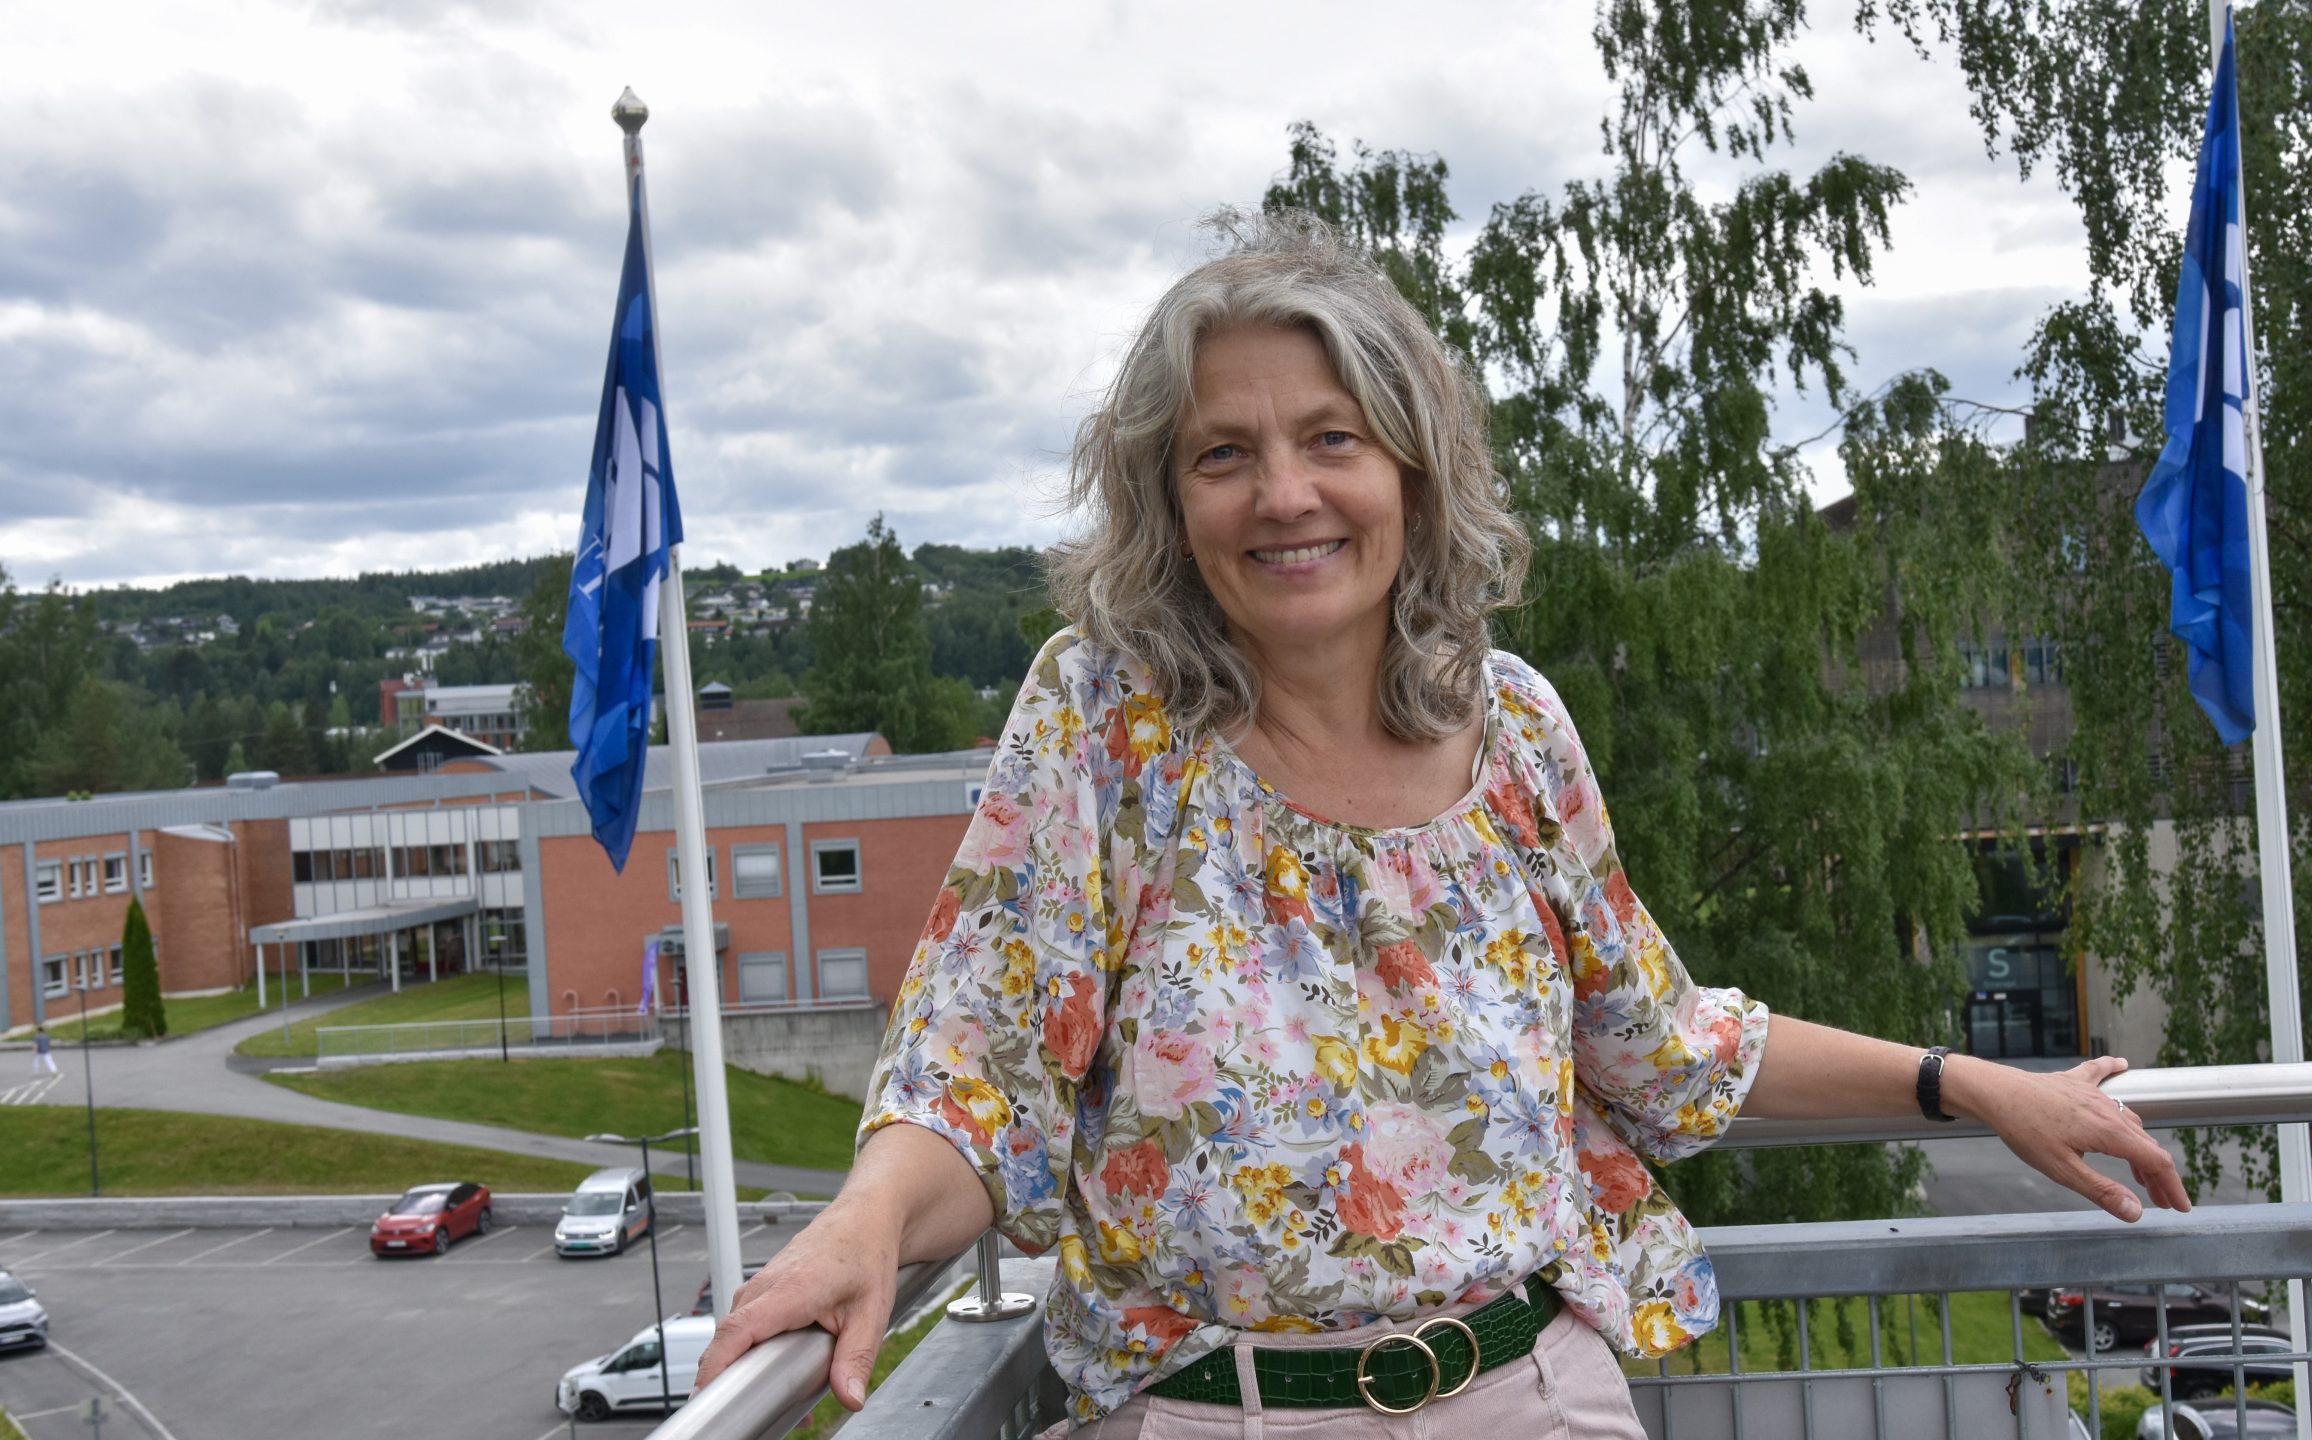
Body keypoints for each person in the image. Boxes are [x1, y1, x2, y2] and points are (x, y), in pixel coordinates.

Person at [695, 214, 2190, 1436]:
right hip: (1219, 1419)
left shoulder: (1518, 725)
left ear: (1411, 467)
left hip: (1533, 1399)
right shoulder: (1107, 721)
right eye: (1226, 453)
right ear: (1170, 497)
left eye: (1332, 438)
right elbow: (980, 1065)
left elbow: (1664, 1051)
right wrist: (868, 1221)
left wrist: (1970, 1083)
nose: (1286, 494)